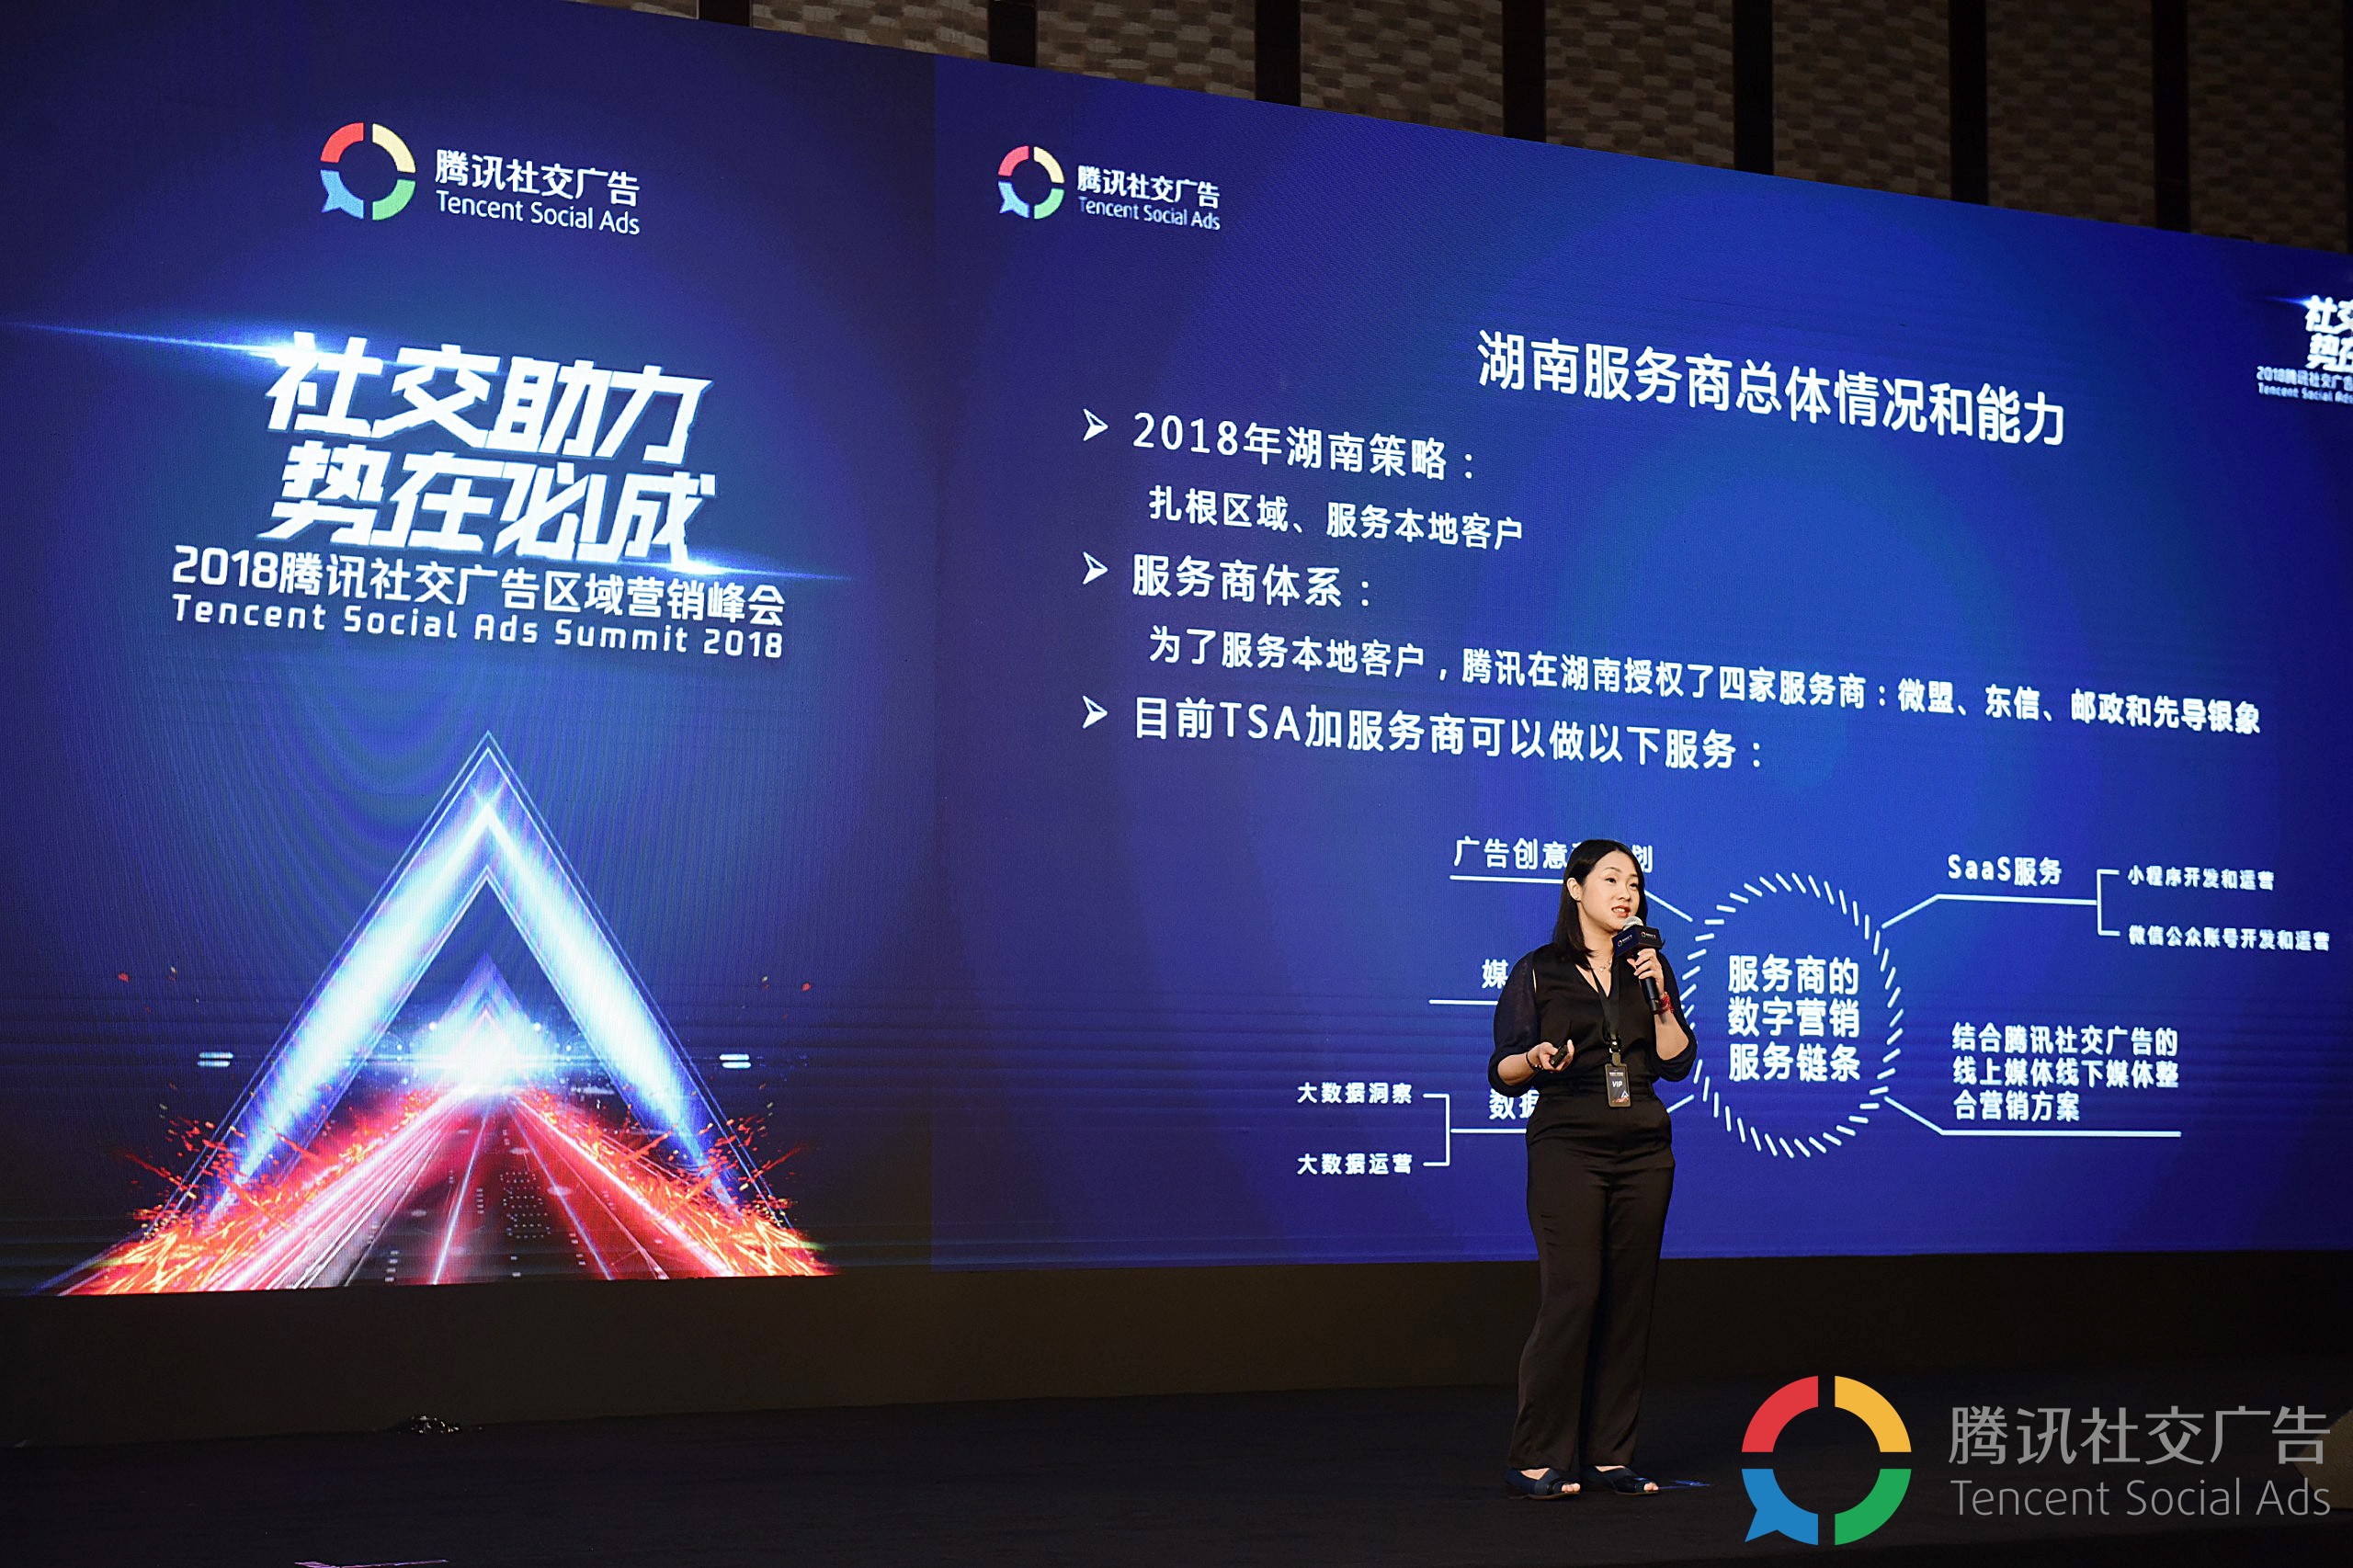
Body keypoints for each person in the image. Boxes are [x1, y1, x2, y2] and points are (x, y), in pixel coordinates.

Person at [1488, 839, 1694, 1499]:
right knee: (1573, 1293)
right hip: (1568, 1145)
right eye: (1611, 879)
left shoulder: (1649, 966)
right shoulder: (1539, 970)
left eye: (1634, 883)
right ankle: (1536, 1457)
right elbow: (1502, 1069)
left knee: (1630, 1300)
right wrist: (1536, 1058)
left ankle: (1610, 1456)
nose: (1626, 893)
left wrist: (1660, 998)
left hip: (1644, 1151)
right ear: (1575, 888)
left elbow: (1676, 1062)